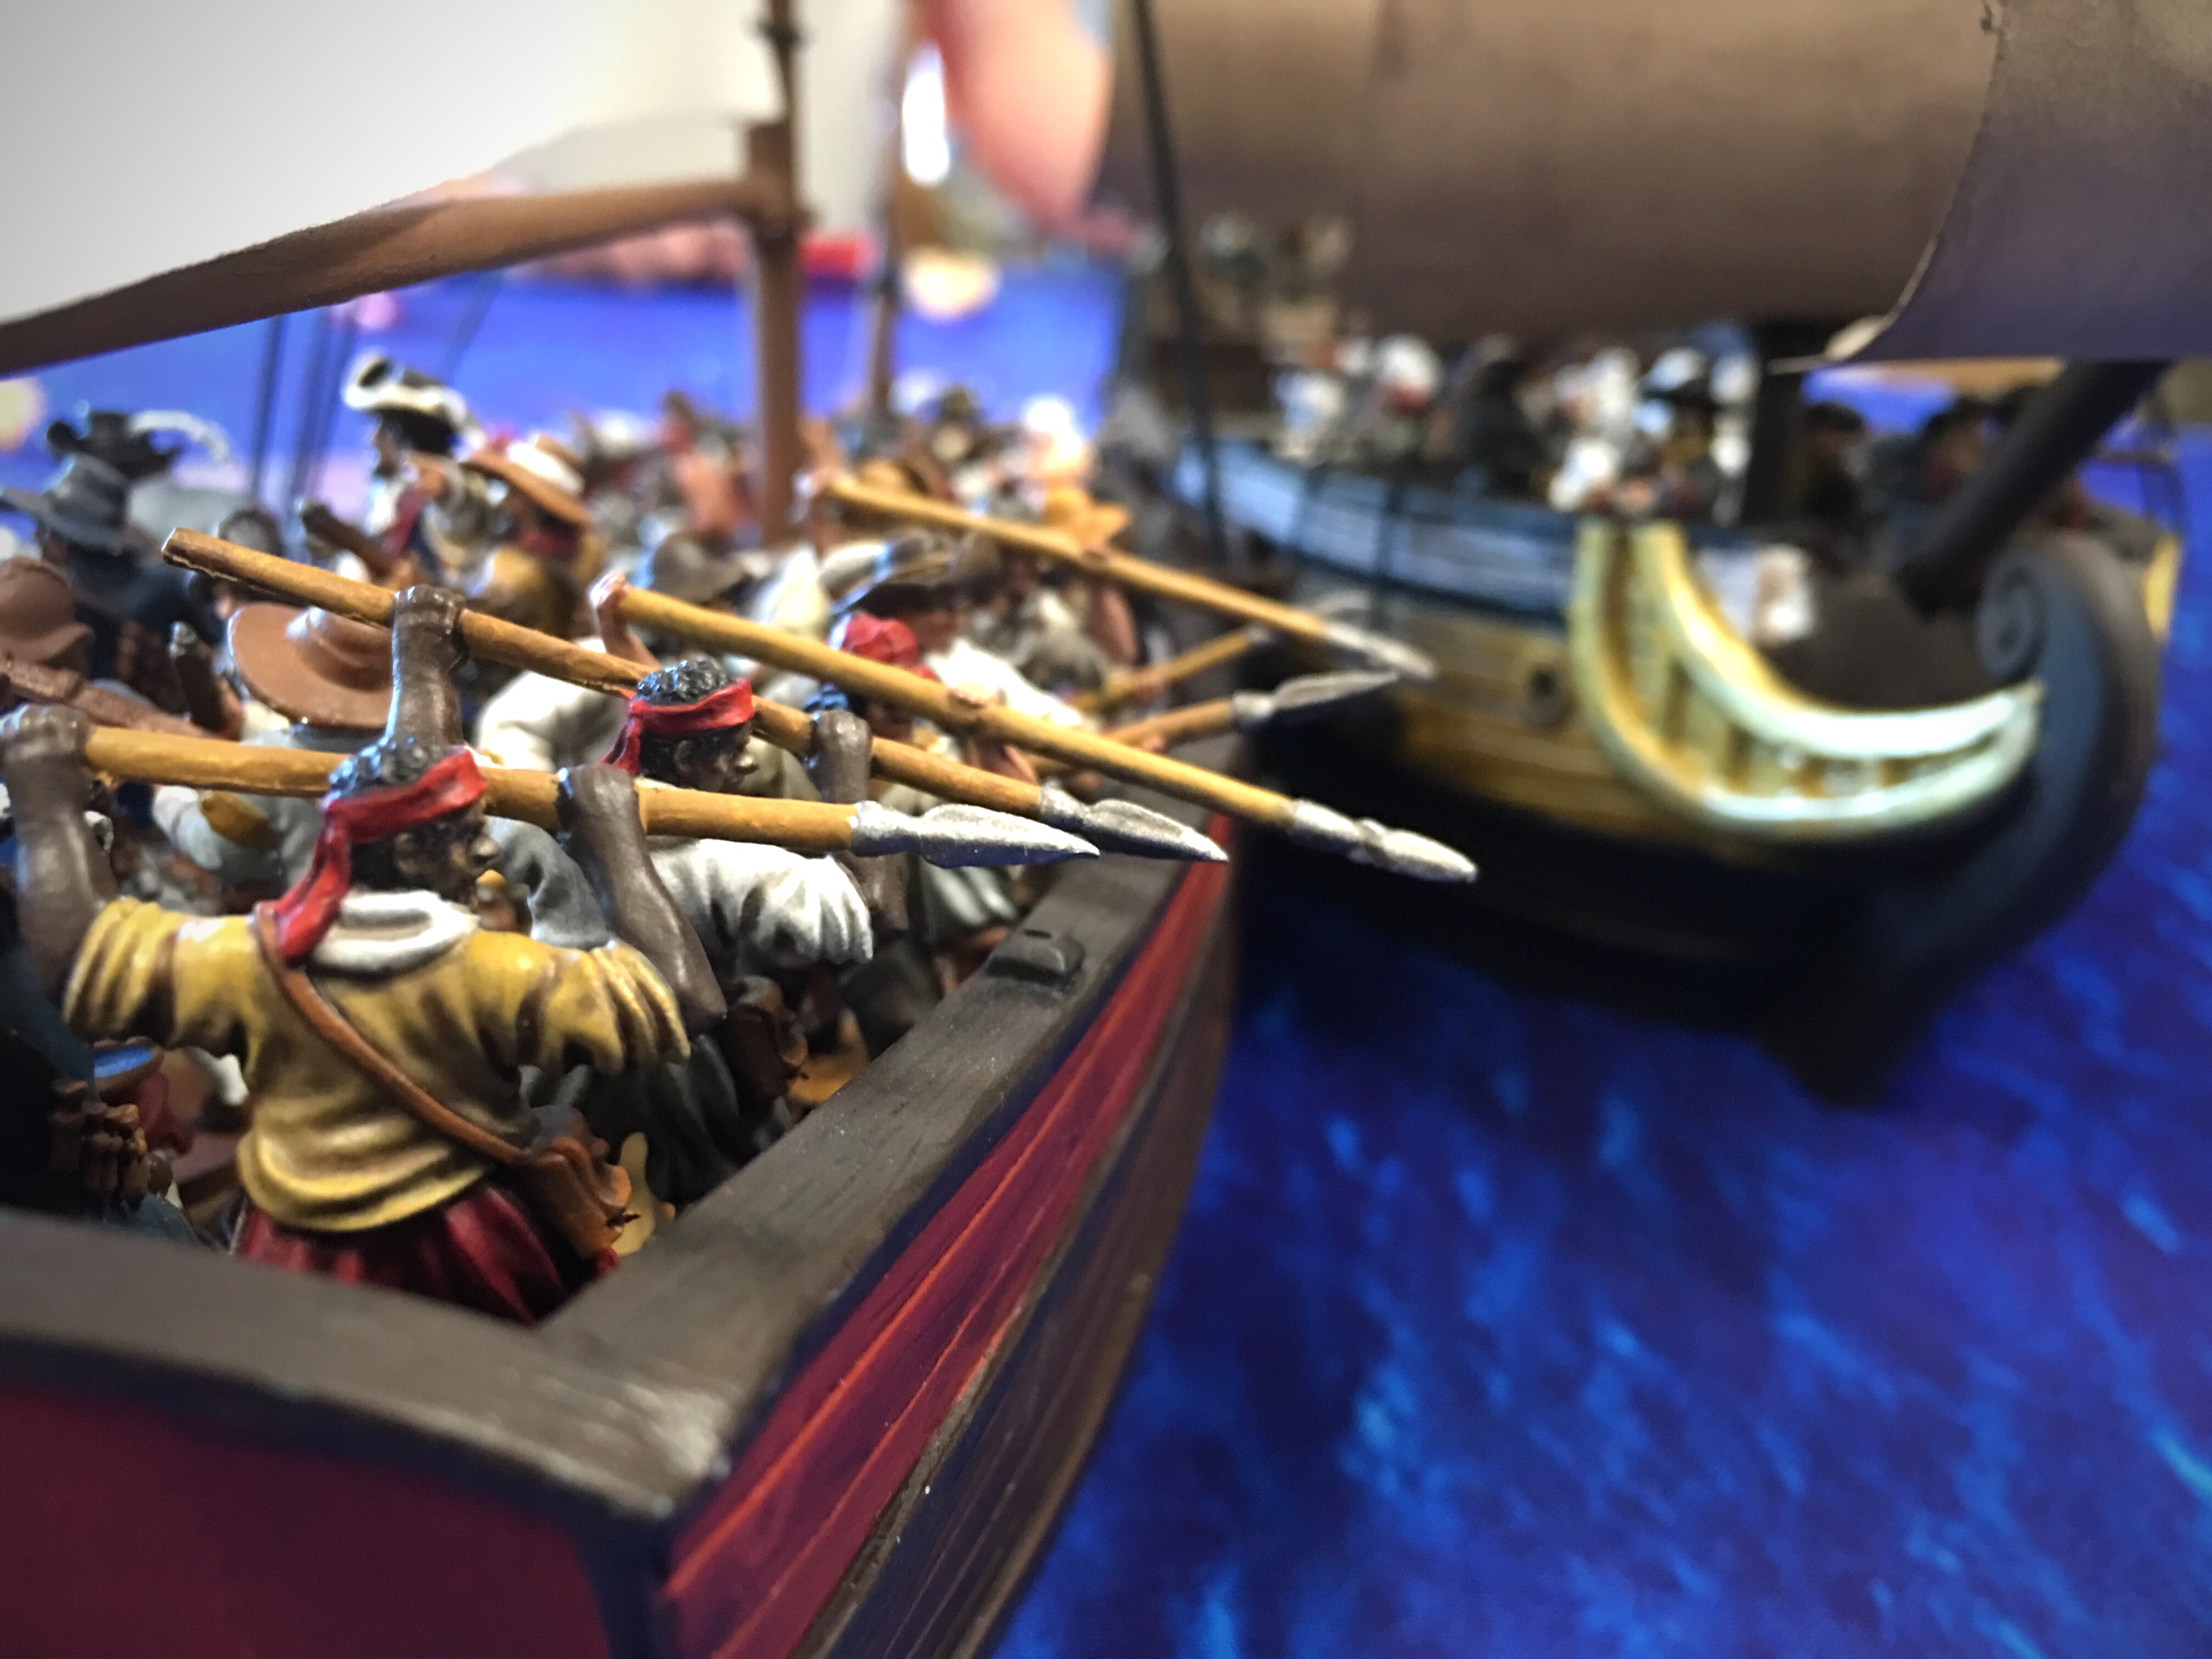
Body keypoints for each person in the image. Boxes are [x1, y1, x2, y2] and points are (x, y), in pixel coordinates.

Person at [1, 586, 723, 1323]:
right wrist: (614, 842)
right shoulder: (490, 974)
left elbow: (85, 960)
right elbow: (681, 997)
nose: (486, 852)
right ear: (411, 853)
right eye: (469, 836)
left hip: (301, 1256)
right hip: (471, 1246)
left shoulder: (248, 962)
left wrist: (42, 804)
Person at [0, 447, 219, 706]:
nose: (37, 538)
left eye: (45, 531)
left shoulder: (82, 602)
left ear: (60, 542)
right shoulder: (159, 584)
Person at [340, 354, 481, 578]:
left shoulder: (432, 485)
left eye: (386, 429)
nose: (373, 440)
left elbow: (463, 512)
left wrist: (447, 491)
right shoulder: (392, 488)